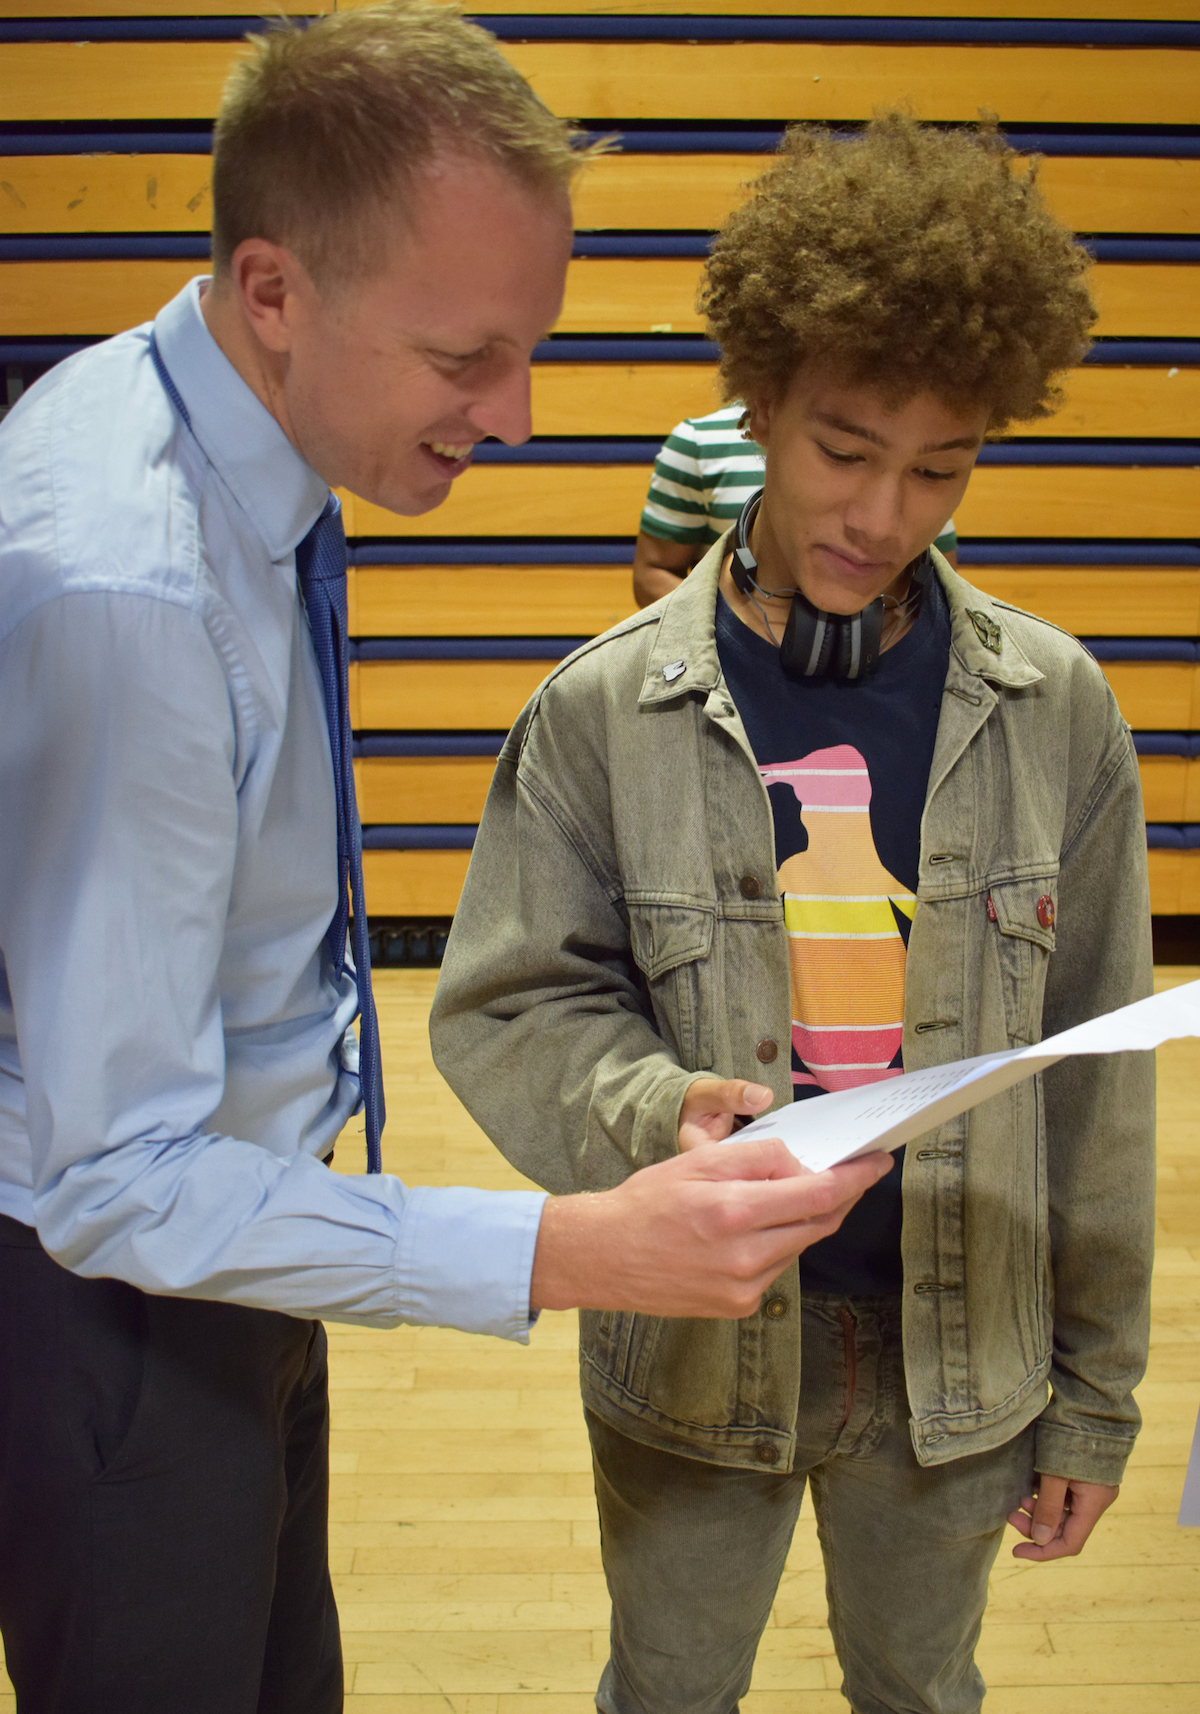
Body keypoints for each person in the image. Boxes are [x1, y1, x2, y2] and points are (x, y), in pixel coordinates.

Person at [0, 9, 891, 1711]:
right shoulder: (128, 591)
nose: (523, 413)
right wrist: (579, 1246)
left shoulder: (233, 421)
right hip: (109, 1290)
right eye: (468, 357)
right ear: (275, 290)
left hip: (239, 1230)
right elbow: (113, 1172)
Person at [431, 112, 1155, 1714]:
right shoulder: (601, 711)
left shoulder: (1060, 715)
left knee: (924, 1687)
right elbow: (510, 1004)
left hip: (958, 1366)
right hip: (693, 1357)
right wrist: (651, 1105)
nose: (884, 513)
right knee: (670, 1688)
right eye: (844, 449)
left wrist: (1095, 1397)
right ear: (753, 407)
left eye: (939, 470)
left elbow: (1101, 1076)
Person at [633, 402, 958, 606]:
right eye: (841, 454)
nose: (879, 526)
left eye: (934, 473)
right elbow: (652, 573)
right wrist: (732, 622)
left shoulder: (921, 484)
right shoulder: (698, 443)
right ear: (764, 409)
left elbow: (937, 589)